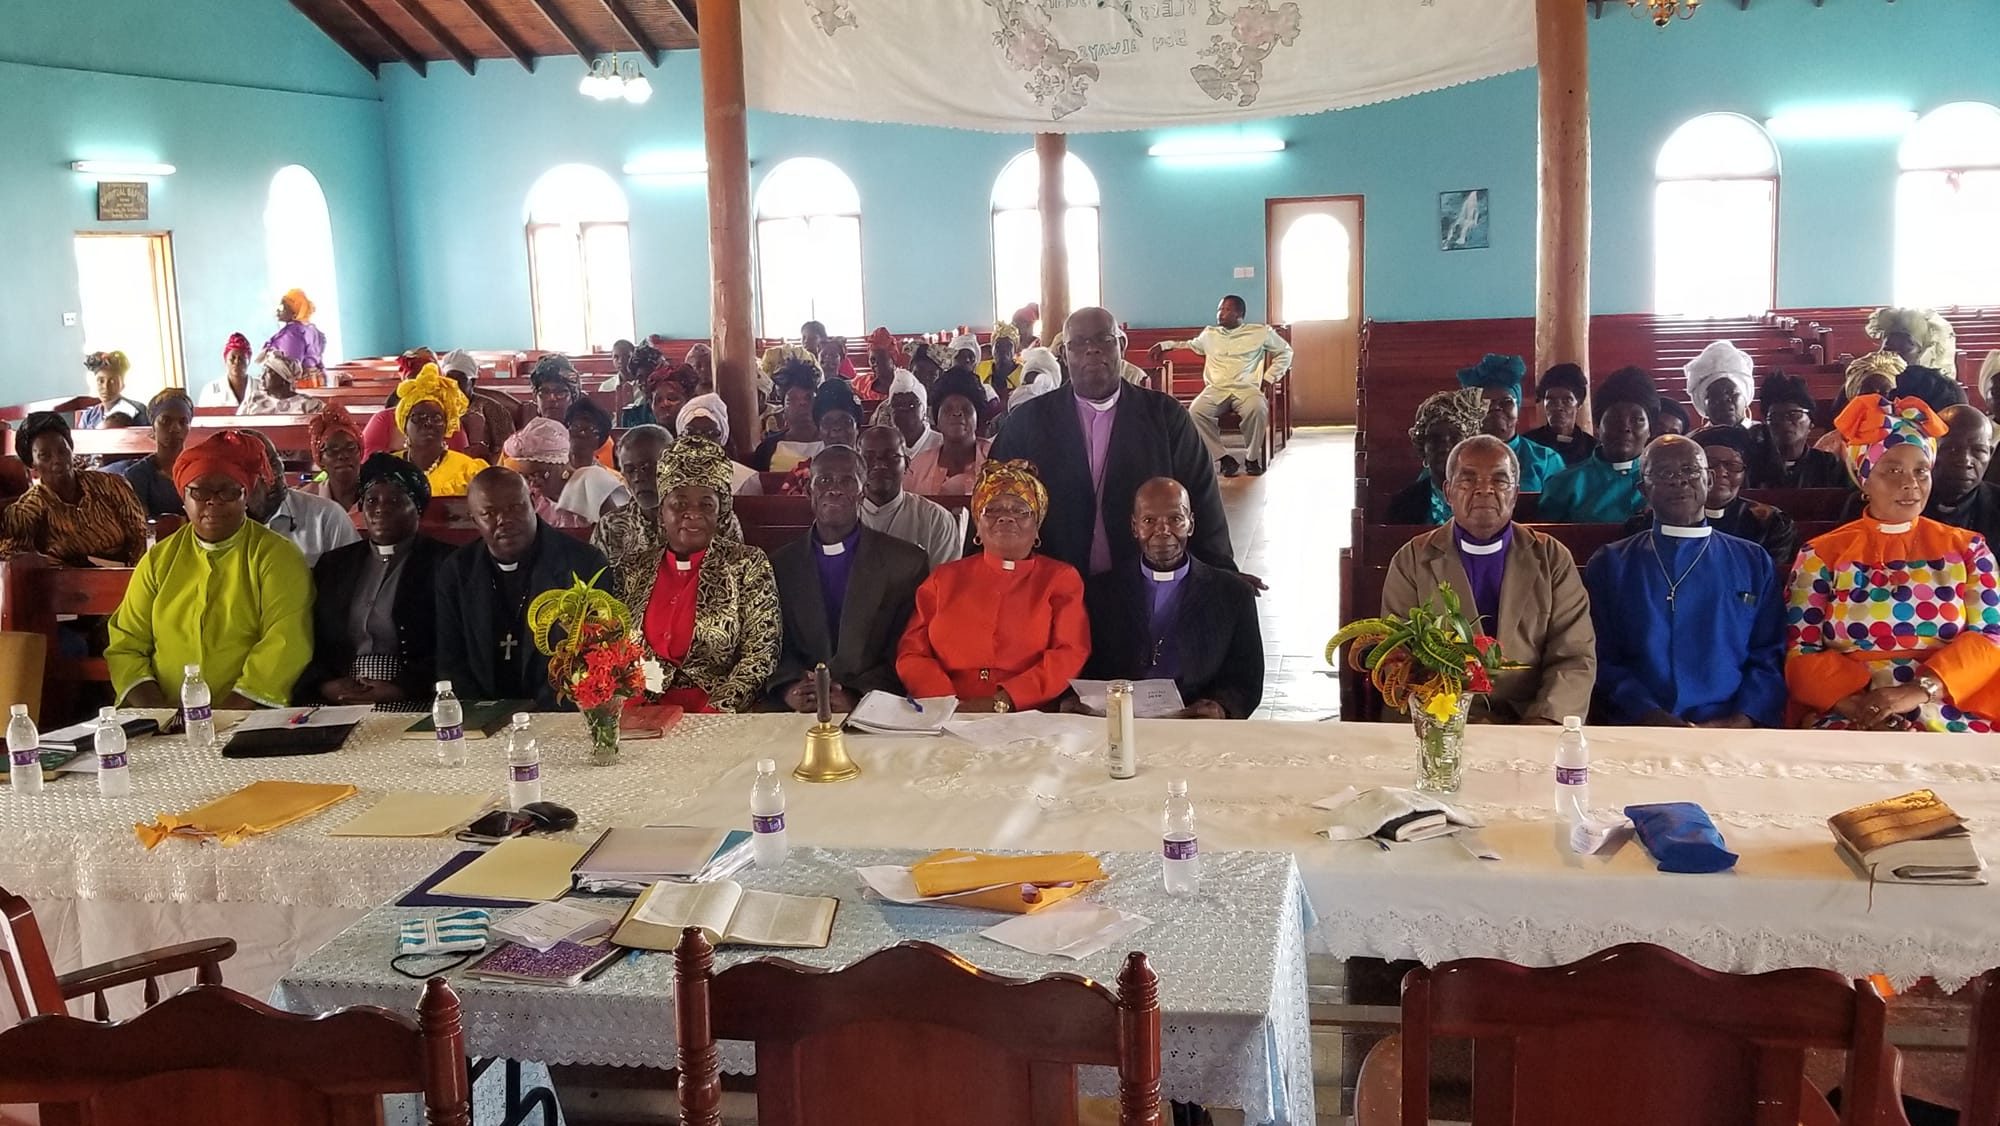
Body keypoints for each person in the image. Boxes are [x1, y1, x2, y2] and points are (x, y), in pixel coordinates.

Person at [1786, 395, 2000, 731]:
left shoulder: (1969, 549)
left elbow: (1990, 636)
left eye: (1921, 471)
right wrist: (1863, 710)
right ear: (1864, 479)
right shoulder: (1821, 554)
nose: (1910, 483)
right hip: (1848, 706)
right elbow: (1801, 649)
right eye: (1893, 470)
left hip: (1947, 701)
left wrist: (1917, 691)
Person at [993, 307, 1240, 580]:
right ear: (1064, 353)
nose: (1092, 349)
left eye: (1104, 339)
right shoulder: (1028, 420)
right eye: (1079, 343)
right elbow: (993, 499)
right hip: (1052, 583)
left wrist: (1221, 573)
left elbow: (1202, 498)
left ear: (1122, 345)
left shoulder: (1165, 416)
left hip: (1144, 586)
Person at [1380, 434, 1594, 724]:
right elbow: (1399, 658)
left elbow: (1574, 656)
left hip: (1535, 719)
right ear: (1448, 492)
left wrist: (1543, 722)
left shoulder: (1551, 557)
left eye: (1499, 480)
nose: (1484, 489)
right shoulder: (1412, 560)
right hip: (1443, 720)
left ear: (1515, 493)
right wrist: (1456, 722)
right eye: (1468, 480)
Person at [1585, 436, 1786, 728]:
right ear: (1643, 489)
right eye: (1664, 473)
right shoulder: (1610, 563)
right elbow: (1602, 656)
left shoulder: (1753, 561)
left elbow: (1768, 653)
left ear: (1710, 479)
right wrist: (1647, 714)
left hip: (1733, 727)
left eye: (1690, 470)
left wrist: (1739, 720)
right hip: (1635, 723)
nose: (1678, 480)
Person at [105, 429, 312, 709]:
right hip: (161, 717)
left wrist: (221, 718)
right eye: (200, 491)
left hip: (247, 717)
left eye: (228, 491)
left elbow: (285, 643)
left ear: (246, 497)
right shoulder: (158, 561)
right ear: (184, 498)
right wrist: (160, 716)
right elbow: (126, 645)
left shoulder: (277, 557)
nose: (213, 501)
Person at [896, 460, 1090, 712]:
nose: (1006, 517)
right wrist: (946, 702)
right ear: (978, 525)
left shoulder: (1060, 578)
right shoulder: (943, 578)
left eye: (1020, 510)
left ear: (1037, 527)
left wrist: (1006, 699)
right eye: (992, 509)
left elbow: (1070, 652)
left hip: (1029, 712)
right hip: (944, 710)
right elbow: (912, 652)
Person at [434, 467, 616, 710]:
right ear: (474, 519)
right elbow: (451, 659)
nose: (504, 520)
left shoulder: (583, 564)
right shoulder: (457, 571)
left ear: (532, 502)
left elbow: (590, 657)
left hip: (558, 713)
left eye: (514, 507)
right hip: (481, 713)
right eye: (489, 513)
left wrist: (542, 715)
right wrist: (480, 714)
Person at [1081, 477, 1263, 719]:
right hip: (1119, 719)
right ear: (1134, 527)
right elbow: (1088, 666)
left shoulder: (1233, 594)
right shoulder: (1100, 592)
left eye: (1175, 519)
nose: (1163, 531)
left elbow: (1247, 677)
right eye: (1149, 521)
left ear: (1191, 524)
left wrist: (1220, 707)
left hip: (1194, 722)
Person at [620, 438, 780, 713]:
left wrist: (716, 713)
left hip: (718, 714)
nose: (692, 514)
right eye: (679, 504)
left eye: (706, 505)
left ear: (721, 513)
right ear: (662, 511)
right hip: (642, 712)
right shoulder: (633, 569)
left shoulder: (747, 564)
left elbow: (760, 656)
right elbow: (617, 651)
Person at [768, 446, 930, 712]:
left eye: (847, 481)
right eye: (824, 480)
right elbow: (772, 642)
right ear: (809, 490)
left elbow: (906, 648)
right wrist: (789, 688)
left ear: (863, 491)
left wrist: (858, 696)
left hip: (876, 705)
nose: (834, 489)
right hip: (800, 706)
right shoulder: (780, 565)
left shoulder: (906, 563)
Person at [298, 454, 451, 707]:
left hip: (416, 693)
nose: (381, 508)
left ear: (418, 508)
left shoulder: (444, 563)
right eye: (371, 500)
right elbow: (314, 639)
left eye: (395, 500)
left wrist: (401, 687)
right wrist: (325, 684)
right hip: (342, 692)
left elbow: (452, 645)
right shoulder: (335, 564)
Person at [1148, 296, 1292, 478]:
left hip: (1246, 388)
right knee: (1195, 412)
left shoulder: (1260, 332)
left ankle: (1252, 458)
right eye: (1219, 309)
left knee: (1258, 409)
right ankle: (1223, 458)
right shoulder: (1209, 334)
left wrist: (1269, 377)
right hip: (1216, 389)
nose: (1220, 313)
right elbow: (1187, 345)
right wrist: (1164, 345)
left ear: (1239, 313)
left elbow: (1286, 352)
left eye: (1226, 309)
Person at [1627, 425, 1798, 573]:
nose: (1721, 472)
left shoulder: (1769, 522)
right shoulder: (1645, 524)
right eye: (1711, 463)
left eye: (1732, 465)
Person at [0, 412, 147, 565]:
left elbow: (140, 536)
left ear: (71, 450)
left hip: (129, 574)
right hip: (66, 579)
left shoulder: (112, 485)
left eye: (62, 451)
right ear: (32, 464)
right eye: (45, 456)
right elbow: (12, 562)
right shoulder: (26, 511)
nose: (57, 460)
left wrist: (131, 573)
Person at [1537, 366, 1658, 523]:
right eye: (1614, 419)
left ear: (1650, 430)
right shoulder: (1563, 484)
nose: (1625, 428)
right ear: (1598, 427)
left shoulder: (1665, 484)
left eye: (1638, 420)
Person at [1450, 353, 1565, 493]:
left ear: (1518, 407)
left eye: (1506, 402)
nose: (1496, 408)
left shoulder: (1546, 459)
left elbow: (1560, 503)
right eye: (1485, 402)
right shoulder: (1458, 457)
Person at [245, 429, 358, 566]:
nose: (273, 474)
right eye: (259, 469)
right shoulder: (223, 525)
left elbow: (354, 575)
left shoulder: (326, 517)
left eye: (274, 462)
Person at [858, 425, 960, 569]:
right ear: (857, 466)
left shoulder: (936, 519)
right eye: (868, 457)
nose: (879, 464)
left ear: (906, 464)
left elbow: (944, 579)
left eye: (892, 456)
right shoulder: (841, 517)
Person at [1386, 389, 1485, 525]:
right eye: (1435, 438)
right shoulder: (1402, 505)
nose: (1445, 447)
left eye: (1455, 437)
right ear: (1423, 448)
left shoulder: (1488, 498)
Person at [595, 425, 672, 588]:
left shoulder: (702, 520)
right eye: (630, 470)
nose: (638, 477)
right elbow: (596, 589)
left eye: (647, 467)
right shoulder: (610, 526)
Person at [396, 364, 488, 497]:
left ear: (447, 425)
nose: (428, 423)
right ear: (404, 425)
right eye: (419, 417)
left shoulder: (468, 470)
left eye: (437, 418)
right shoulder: (388, 468)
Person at [1748, 372, 1848, 488]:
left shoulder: (1829, 465)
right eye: (1775, 416)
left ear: (1811, 422)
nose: (1785, 422)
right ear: (1766, 424)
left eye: (1794, 415)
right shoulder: (1752, 466)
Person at [1922, 405, 2000, 545]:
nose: (1965, 460)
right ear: (1930, 450)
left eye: (1978, 450)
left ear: (1990, 453)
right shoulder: (1903, 502)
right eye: (1951, 449)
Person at [905, 370, 989, 496]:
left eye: (966, 409)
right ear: (936, 419)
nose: (957, 413)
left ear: (977, 418)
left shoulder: (996, 459)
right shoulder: (917, 468)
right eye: (948, 409)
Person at [1868, 306, 1964, 410]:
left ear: (1922, 352)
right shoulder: (1873, 383)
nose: (1894, 357)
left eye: (1903, 350)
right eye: (1888, 350)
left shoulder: (1943, 389)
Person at [1812, 353, 1906, 458]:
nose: (1876, 400)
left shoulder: (1910, 436)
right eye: (1867, 394)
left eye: (1885, 393)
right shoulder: (1833, 444)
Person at [116, 389, 193, 518]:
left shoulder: (200, 470)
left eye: (183, 422)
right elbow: (141, 522)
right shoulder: (137, 474)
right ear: (153, 426)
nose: (175, 428)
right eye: (165, 421)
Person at [676, 394, 762, 496]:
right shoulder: (668, 476)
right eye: (692, 433)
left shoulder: (745, 479)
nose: (701, 440)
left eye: (711, 433)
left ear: (721, 440)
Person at [440, 349, 515, 463]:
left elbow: (508, 452)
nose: (453, 387)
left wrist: (485, 456)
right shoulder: (438, 408)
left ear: (473, 382)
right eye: (448, 382)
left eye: (459, 382)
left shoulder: (492, 409)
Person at [749, 361, 823, 472]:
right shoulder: (767, 449)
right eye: (792, 399)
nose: (802, 403)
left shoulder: (831, 444)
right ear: (783, 409)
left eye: (808, 398)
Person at [561, 399, 630, 519]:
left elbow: (618, 519)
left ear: (600, 439)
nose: (581, 433)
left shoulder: (612, 480)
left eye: (590, 429)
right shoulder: (555, 474)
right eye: (576, 426)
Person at [1520, 363, 1596, 467]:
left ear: (1579, 403)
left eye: (1567, 400)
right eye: (1550, 400)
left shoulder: (1593, 449)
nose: (1557, 407)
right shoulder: (1527, 444)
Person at [303, 403, 364, 511]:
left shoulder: (378, 497)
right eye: (332, 450)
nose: (343, 456)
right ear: (320, 459)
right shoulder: (306, 501)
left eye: (350, 448)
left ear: (360, 452)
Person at [1683, 340, 1754, 428]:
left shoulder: (1765, 434)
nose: (1724, 400)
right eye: (1715, 395)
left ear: (1745, 398)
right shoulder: (1696, 437)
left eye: (1731, 392)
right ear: (1704, 407)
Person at [263, 289, 327, 385]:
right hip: (315, 382)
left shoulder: (293, 333)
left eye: (282, 307)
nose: (278, 310)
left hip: (300, 385)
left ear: (294, 312)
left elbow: (290, 366)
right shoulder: (310, 329)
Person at [78, 352, 149, 429]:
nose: (105, 387)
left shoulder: (138, 411)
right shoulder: (88, 416)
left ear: (122, 384)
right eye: (101, 381)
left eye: (112, 381)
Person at [238, 353, 323, 416]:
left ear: (283, 379)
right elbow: (237, 426)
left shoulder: (308, 404)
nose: (262, 376)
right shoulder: (253, 399)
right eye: (262, 372)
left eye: (267, 372)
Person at [884, 370, 941, 458]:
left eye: (911, 405)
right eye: (897, 405)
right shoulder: (885, 446)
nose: (904, 411)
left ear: (924, 410)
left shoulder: (941, 444)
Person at [196, 334, 254, 408]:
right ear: (225, 359)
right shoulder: (210, 390)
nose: (236, 362)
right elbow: (203, 415)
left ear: (249, 361)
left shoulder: (262, 388)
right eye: (232, 358)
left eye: (241, 358)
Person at [858, 327, 904, 409]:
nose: (875, 364)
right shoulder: (861, 385)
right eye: (872, 360)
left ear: (893, 359)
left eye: (881, 359)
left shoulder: (905, 384)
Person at [976, 322, 1024, 399]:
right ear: (992, 349)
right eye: (998, 345)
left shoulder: (1024, 373)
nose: (1003, 350)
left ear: (1015, 350)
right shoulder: (979, 369)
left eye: (1009, 345)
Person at [530, 355, 581, 422]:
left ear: (573, 397)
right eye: (544, 392)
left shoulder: (583, 427)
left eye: (560, 392)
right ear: (535, 397)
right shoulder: (528, 428)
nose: (552, 398)